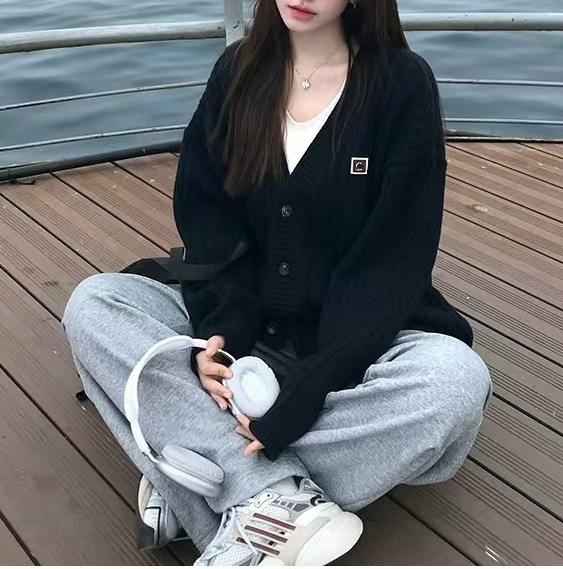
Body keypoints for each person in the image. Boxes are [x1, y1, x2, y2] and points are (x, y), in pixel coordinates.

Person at [62, 0, 493, 565]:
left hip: (355, 336)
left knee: (453, 385)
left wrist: (317, 381)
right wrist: (219, 337)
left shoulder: (400, 84)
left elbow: (391, 259)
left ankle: (197, 472)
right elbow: (210, 224)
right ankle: (272, 500)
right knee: (95, 303)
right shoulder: (238, 72)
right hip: (244, 320)